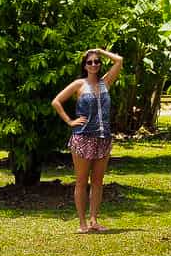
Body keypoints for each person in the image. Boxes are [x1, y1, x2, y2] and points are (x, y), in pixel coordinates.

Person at [51, 47, 123, 233]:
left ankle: (94, 220)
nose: (94, 65)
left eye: (96, 62)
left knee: (98, 182)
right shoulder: (79, 84)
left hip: (103, 138)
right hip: (83, 137)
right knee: (82, 182)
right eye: (89, 62)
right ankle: (82, 223)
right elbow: (56, 101)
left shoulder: (105, 82)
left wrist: (100, 50)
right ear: (84, 65)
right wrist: (70, 121)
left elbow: (119, 61)